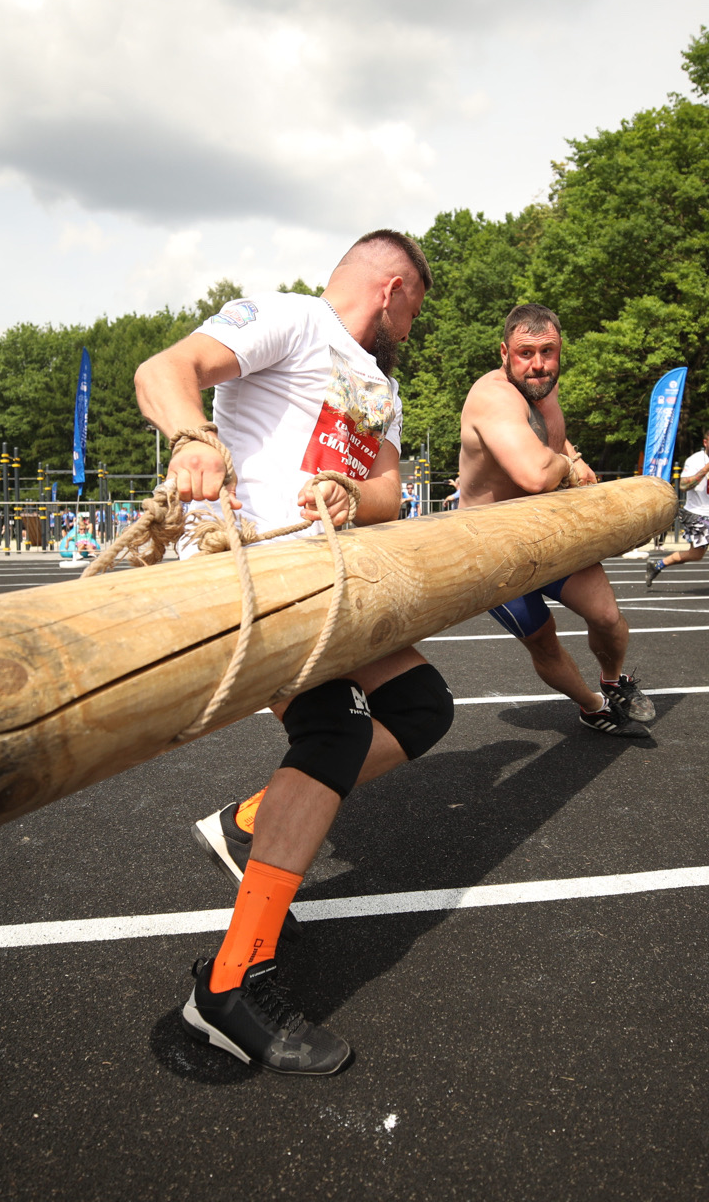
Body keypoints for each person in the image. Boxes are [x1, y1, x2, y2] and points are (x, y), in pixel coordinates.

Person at [144, 230, 456, 1076]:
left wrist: (353, 493)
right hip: (252, 577)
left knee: (425, 707)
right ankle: (229, 988)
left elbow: (389, 493)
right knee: (335, 733)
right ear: (392, 289)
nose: (411, 329)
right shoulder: (290, 319)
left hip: (331, 581)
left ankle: (249, 826)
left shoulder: (379, 384)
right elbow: (162, 373)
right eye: (415, 310)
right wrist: (189, 439)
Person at [458, 304, 656, 733]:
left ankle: (613, 681)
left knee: (607, 618)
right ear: (504, 353)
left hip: (547, 530)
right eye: (525, 353)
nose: (538, 364)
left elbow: (554, 438)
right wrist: (567, 469)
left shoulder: (544, 387)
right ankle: (591, 705)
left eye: (548, 352)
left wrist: (574, 455)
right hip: (494, 548)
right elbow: (532, 474)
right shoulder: (493, 396)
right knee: (544, 642)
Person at [645, 426, 709, 602]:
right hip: (694, 514)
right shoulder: (694, 460)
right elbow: (684, 486)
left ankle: (656, 566)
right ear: (705, 443)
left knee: (696, 554)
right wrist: (706, 469)